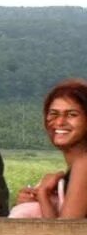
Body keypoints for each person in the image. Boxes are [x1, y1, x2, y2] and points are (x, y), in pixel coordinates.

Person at [13, 78, 87, 218]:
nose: (59, 122)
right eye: (53, 114)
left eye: (72, 115)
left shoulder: (84, 164)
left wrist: (43, 196)